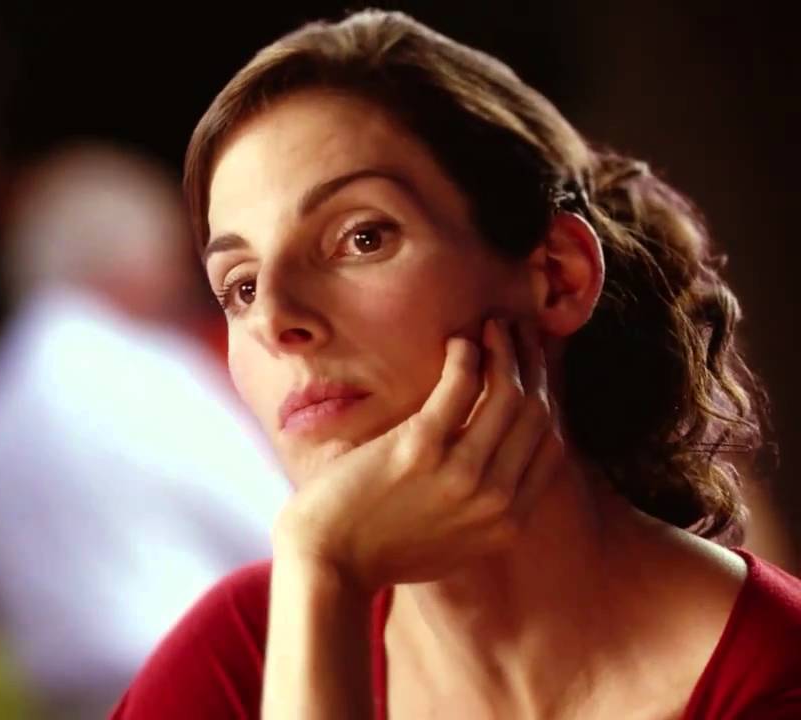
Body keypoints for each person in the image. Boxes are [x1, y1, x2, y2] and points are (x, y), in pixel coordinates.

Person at [113, 10, 800, 719]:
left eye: (363, 236)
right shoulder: (246, 648)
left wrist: (326, 571)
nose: (276, 320)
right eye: (242, 286)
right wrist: (321, 573)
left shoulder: (776, 677)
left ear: (557, 275)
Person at [0, 143, 290, 718]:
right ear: (130, 263)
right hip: (201, 687)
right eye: (171, 260)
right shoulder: (145, 370)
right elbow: (278, 525)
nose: (181, 284)